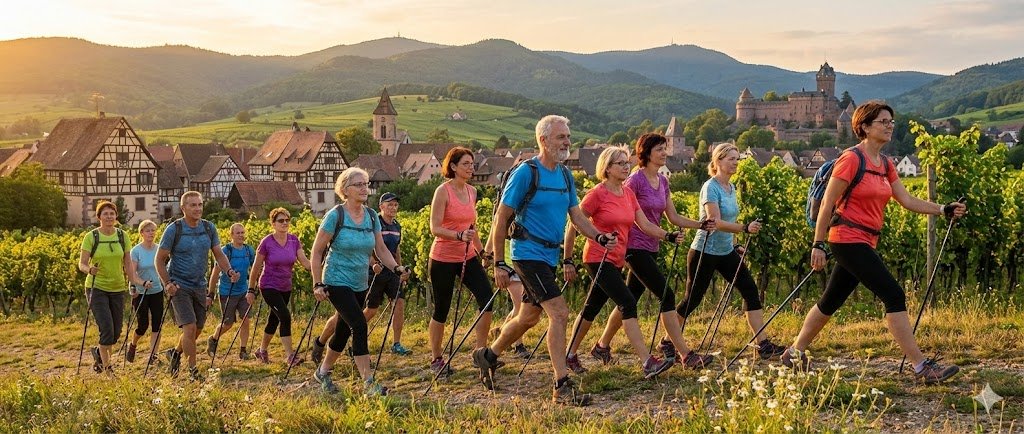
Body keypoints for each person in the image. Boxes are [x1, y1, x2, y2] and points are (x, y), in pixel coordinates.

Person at [785, 100, 966, 383]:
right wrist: (817, 244)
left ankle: (794, 352)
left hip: (866, 241)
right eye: (883, 121)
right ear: (864, 127)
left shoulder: (885, 164)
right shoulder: (851, 159)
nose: (889, 126)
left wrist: (941, 209)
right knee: (893, 294)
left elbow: (906, 200)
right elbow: (828, 204)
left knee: (830, 301)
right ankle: (921, 367)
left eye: (891, 121)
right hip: (846, 239)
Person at [472, 115, 616, 406]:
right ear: (543, 139)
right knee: (559, 314)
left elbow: (577, 217)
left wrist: (598, 236)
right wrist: (499, 263)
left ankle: (487, 356)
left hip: (548, 256)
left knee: (528, 316)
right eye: (561, 136)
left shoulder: (564, 175)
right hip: (527, 254)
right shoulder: (527, 172)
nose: (567, 141)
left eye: (568, 136)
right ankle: (561, 386)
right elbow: (501, 219)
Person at [591, 134, 716, 369]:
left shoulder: (663, 181)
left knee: (630, 297)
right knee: (666, 295)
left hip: (652, 246)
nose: (664, 152)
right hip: (633, 247)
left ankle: (602, 345)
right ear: (646, 153)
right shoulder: (635, 181)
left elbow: (673, 216)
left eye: (665, 148)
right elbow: (628, 213)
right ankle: (685, 354)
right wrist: (660, 234)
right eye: (659, 149)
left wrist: (700, 224)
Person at [561, 146, 678, 379]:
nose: (627, 167)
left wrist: (668, 235)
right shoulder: (597, 194)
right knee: (627, 302)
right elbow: (574, 223)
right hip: (596, 257)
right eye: (620, 163)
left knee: (592, 307)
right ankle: (647, 362)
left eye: (627, 162)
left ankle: (571, 355)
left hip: (616, 259)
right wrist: (567, 259)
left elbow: (643, 224)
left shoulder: (628, 194)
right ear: (607, 168)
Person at [673, 143, 787, 360]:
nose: (735, 162)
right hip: (705, 251)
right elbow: (714, 221)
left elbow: (729, 219)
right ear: (718, 162)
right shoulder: (710, 187)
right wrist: (744, 228)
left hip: (726, 251)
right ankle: (669, 341)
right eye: (731, 159)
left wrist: (734, 243)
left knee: (750, 290)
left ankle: (762, 344)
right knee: (692, 299)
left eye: (737, 158)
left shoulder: (731, 188)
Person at [310, 168, 409, 396]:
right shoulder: (336, 215)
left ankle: (323, 372)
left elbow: (381, 249)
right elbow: (316, 251)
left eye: (366, 183)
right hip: (335, 280)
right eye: (359, 185)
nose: (365, 188)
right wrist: (317, 283)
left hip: (359, 282)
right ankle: (369, 383)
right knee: (359, 324)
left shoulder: (372, 216)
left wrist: (396, 267)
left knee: (344, 331)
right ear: (345, 189)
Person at [157, 191, 238, 380]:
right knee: (190, 327)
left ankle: (175, 353)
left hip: (199, 285)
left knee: (198, 328)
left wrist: (229, 271)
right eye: (193, 205)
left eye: (200, 204)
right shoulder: (174, 229)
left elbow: (219, 254)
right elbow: (159, 259)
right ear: (183, 208)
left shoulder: (209, 228)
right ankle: (192, 371)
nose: (197, 208)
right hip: (179, 286)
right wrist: (168, 283)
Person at [427, 146, 493, 375]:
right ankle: (436, 358)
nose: (471, 167)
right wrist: (457, 235)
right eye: (466, 163)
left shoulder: (472, 192)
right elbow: (434, 228)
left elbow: (472, 228)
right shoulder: (442, 192)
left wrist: (482, 251)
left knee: (487, 299)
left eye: (472, 163)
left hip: (468, 255)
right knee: (442, 309)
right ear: (453, 167)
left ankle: (480, 352)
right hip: (443, 257)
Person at [79, 200, 148, 373]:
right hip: (97, 288)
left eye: (112, 213)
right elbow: (82, 263)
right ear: (99, 217)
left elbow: (128, 264)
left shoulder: (122, 236)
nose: (109, 216)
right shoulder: (91, 237)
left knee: (116, 333)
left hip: (117, 288)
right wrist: (90, 270)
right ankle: (108, 369)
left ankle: (98, 354)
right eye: (105, 214)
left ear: (116, 216)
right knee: (107, 329)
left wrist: (138, 283)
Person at [249, 208, 312, 367]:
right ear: (273, 223)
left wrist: (320, 267)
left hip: (285, 286)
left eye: (287, 220)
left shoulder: (293, 240)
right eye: (280, 220)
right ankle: (290, 356)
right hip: (269, 285)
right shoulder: (267, 242)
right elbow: (256, 267)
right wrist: (251, 289)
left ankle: (261, 350)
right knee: (285, 316)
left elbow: (304, 262)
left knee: (274, 319)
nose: (284, 223)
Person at [206, 223, 256, 361]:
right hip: (227, 291)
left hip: (243, 291)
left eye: (242, 233)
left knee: (245, 319)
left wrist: (254, 285)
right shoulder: (226, 251)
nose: (241, 235)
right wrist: (210, 293)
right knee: (228, 324)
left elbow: (255, 268)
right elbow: (215, 274)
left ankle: (243, 350)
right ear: (231, 235)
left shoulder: (248, 250)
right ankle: (214, 338)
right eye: (238, 233)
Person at [127, 219, 163, 365]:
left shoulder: (159, 249)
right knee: (143, 325)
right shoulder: (136, 251)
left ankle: (153, 355)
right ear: (141, 233)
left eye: (153, 230)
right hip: (140, 292)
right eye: (148, 230)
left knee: (157, 324)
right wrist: (142, 283)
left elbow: (163, 268)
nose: (151, 233)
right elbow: (132, 274)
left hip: (157, 290)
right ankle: (133, 344)